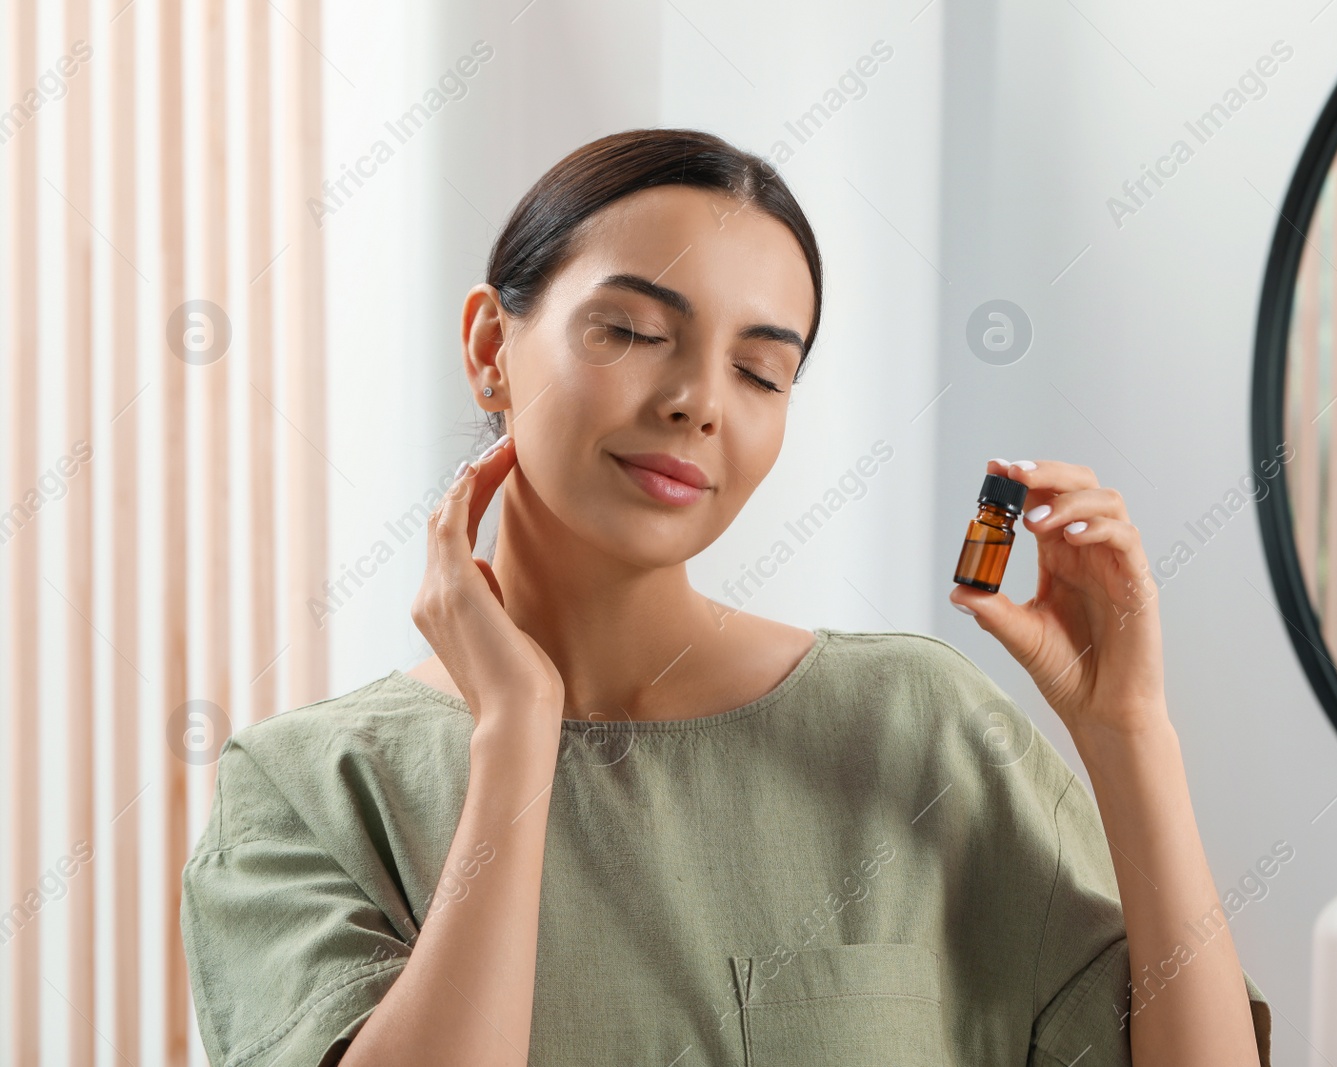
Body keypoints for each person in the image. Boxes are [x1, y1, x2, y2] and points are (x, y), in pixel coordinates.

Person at [180, 127, 1272, 1066]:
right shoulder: (300, 793)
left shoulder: (917, 727)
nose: (698, 400)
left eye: (759, 371)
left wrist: (1128, 732)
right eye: (634, 332)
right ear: (488, 348)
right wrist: (516, 730)